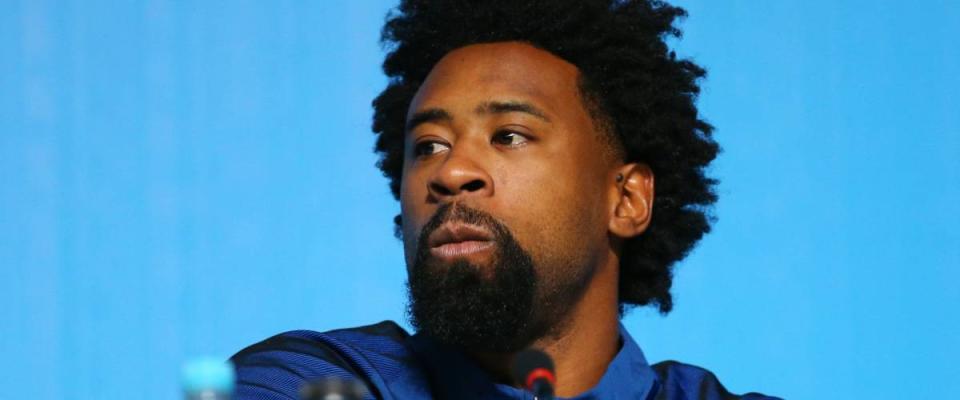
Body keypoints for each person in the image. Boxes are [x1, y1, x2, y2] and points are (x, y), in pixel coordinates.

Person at [231, 0, 779, 398]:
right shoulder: (309, 382)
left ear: (627, 199)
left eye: (508, 135)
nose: (451, 171)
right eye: (428, 146)